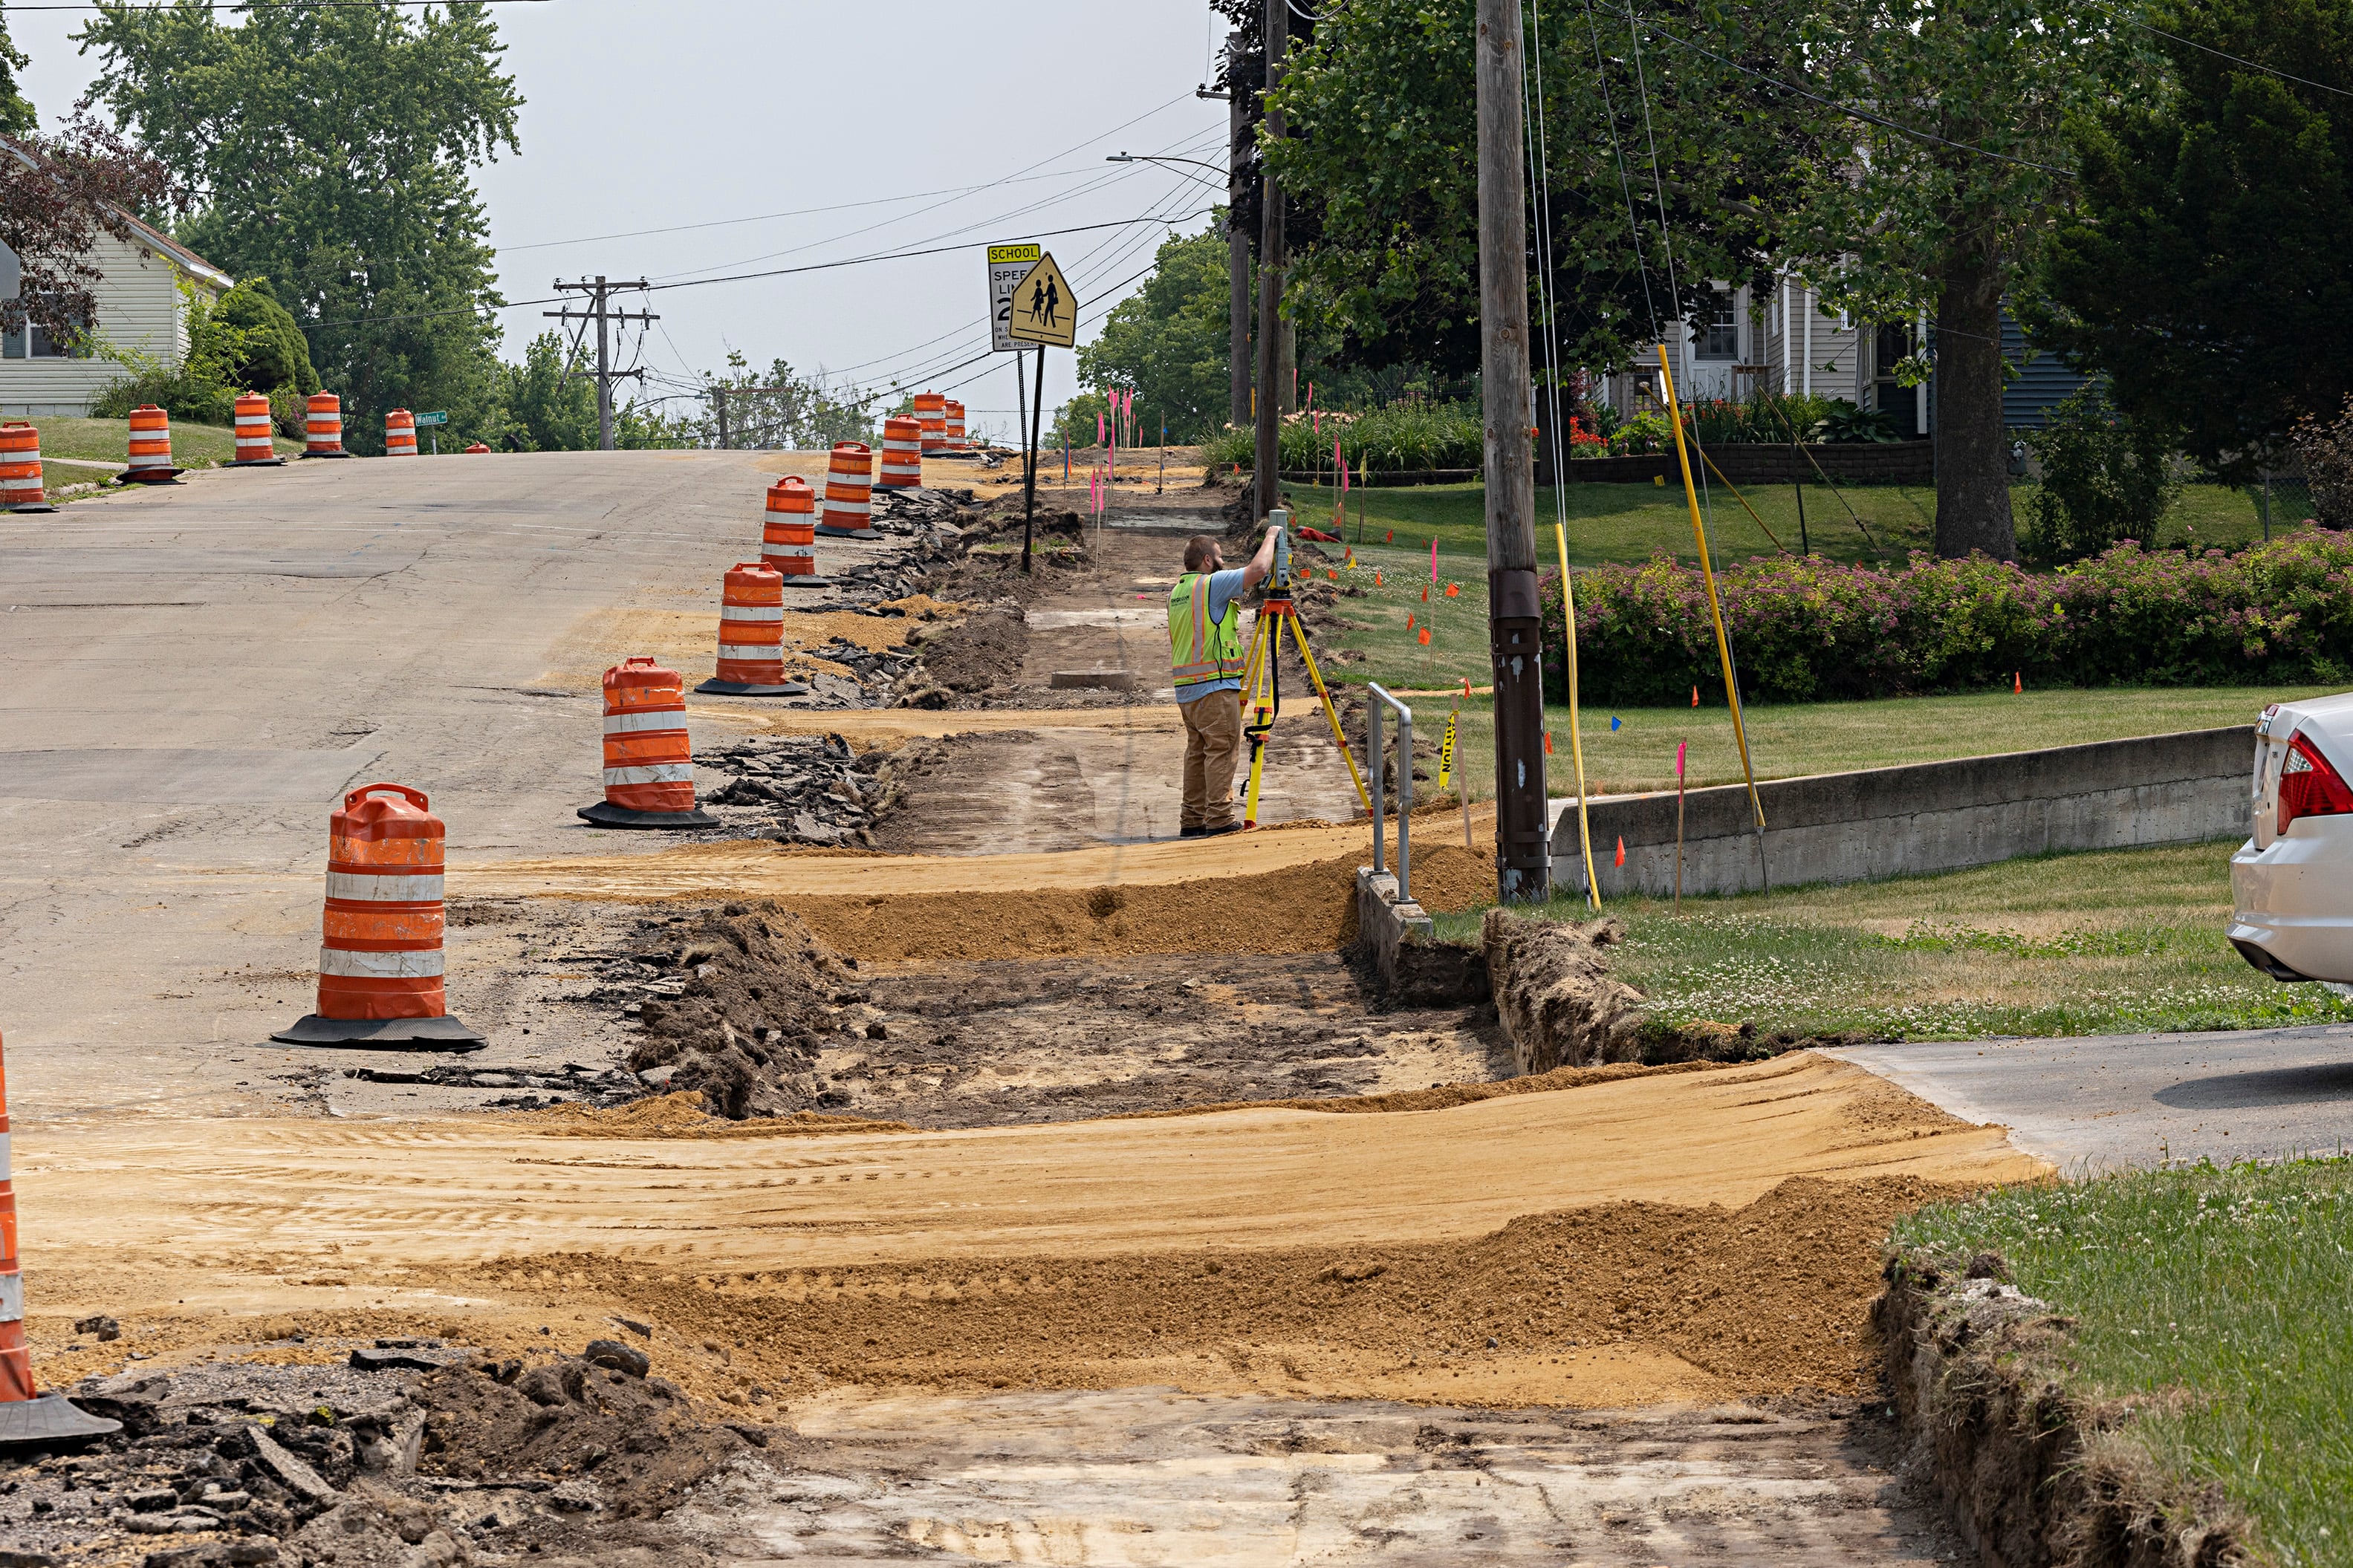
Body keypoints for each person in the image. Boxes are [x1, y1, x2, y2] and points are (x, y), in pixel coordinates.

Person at [1167, 525, 1280, 838]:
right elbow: (1258, 569)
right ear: (1207, 560)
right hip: (1214, 688)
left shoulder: (1176, 593)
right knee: (1221, 750)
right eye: (1219, 557)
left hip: (1187, 690)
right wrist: (1270, 536)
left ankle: (1192, 819)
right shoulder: (1210, 585)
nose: (1223, 562)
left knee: (1198, 752)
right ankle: (1219, 817)